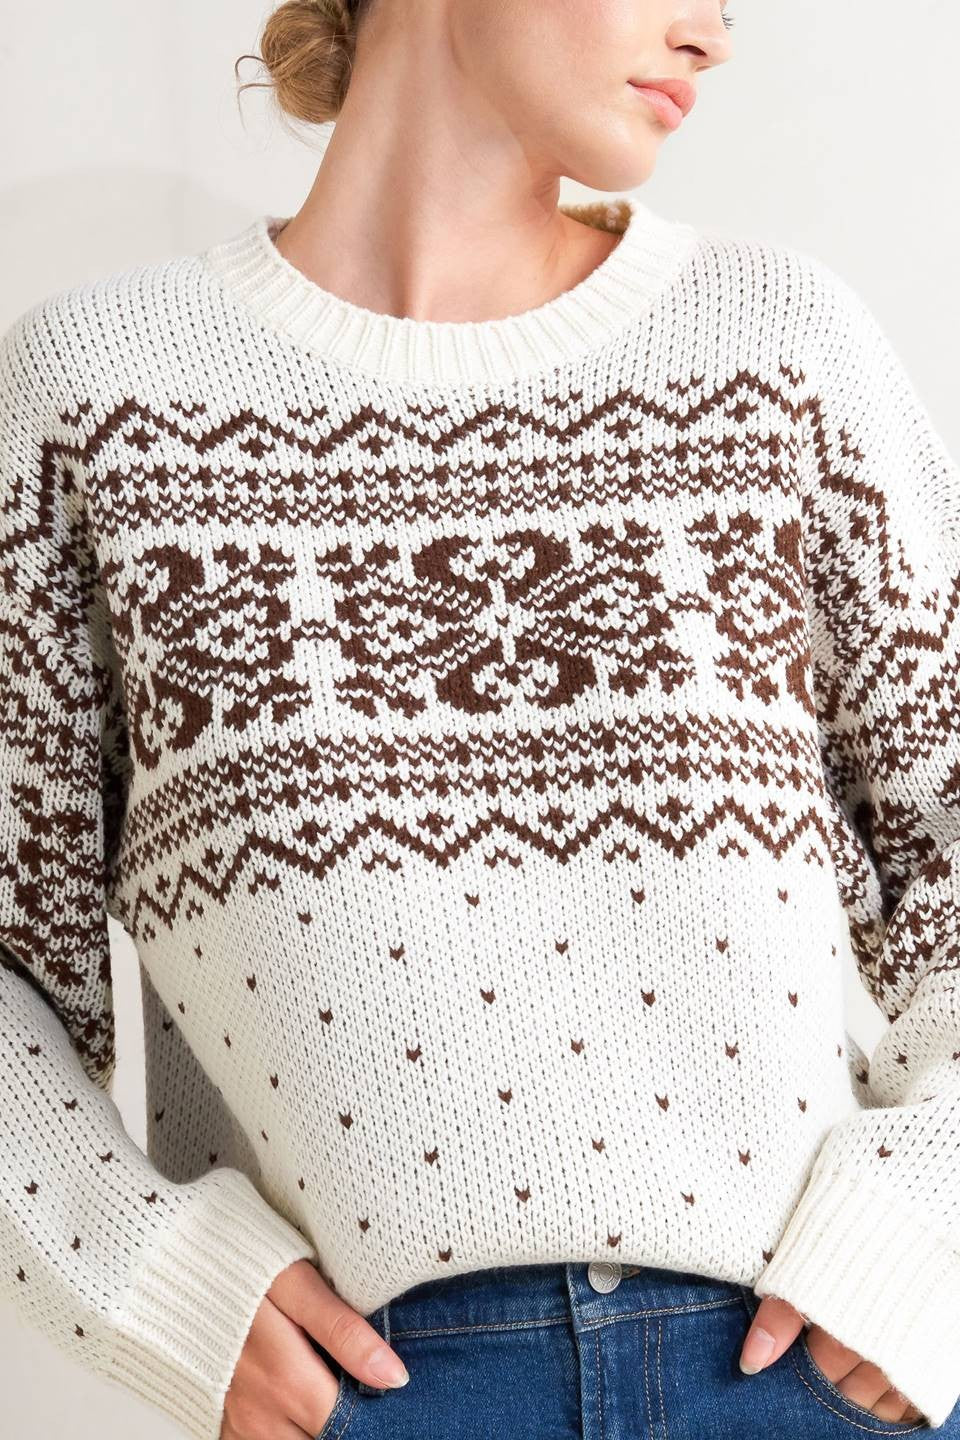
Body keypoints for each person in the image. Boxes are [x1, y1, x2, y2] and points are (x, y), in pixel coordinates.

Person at [1, 0, 958, 1436]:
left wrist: (930, 1224)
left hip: (804, 1368)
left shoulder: (780, 350)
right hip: (377, 1390)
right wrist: (149, 1279)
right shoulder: (100, 393)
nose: (711, 35)